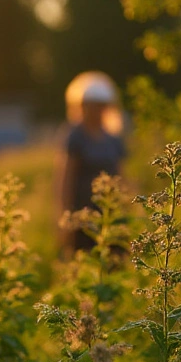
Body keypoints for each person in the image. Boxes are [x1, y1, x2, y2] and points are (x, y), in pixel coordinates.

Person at [58, 72, 126, 253]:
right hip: (83, 217)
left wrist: (126, 211)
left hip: (109, 215)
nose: (95, 111)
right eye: (90, 106)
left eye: (100, 106)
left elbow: (121, 175)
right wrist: (64, 216)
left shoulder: (113, 139)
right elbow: (66, 178)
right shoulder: (75, 136)